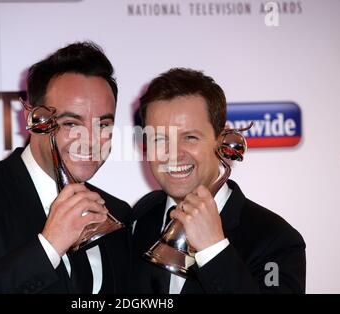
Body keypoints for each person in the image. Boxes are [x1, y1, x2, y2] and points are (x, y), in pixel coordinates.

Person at [0, 42, 131, 293]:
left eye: (103, 125)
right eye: (69, 123)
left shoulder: (118, 213)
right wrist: (50, 245)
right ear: (33, 119)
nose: (90, 139)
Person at [131, 68, 306, 293]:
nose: (173, 153)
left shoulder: (277, 240)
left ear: (222, 139)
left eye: (190, 137)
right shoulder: (142, 216)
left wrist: (213, 249)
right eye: (160, 138)